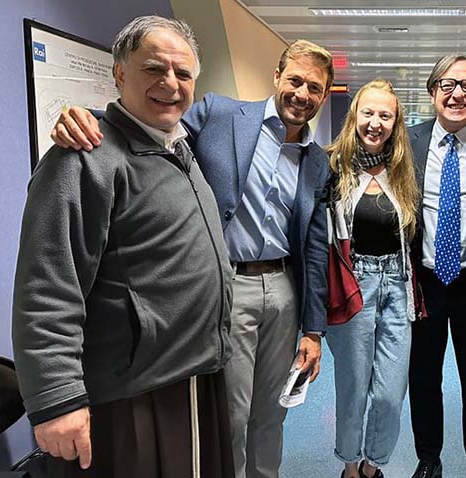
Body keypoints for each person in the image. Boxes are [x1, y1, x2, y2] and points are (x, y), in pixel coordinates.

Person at [50, 39, 334, 478]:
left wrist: (313, 330)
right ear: (277, 76)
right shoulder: (221, 114)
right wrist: (90, 119)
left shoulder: (317, 162)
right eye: (295, 80)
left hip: (283, 291)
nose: (302, 94)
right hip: (228, 287)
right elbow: (152, 124)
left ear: (325, 94)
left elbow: (315, 250)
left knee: (272, 412)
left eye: (314, 88)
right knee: (232, 414)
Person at [13, 16, 234, 477]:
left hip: (194, 376)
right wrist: (56, 399)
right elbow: (48, 286)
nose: (170, 83)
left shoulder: (179, 148)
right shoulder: (82, 159)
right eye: (154, 68)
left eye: (183, 73)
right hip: (132, 394)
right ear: (119, 72)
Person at [407, 55, 466, 478]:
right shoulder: (408, 141)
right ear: (433, 92)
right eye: (447, 85)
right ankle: (429, 459)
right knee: (423, 378)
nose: (457, 94)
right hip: (424, 284)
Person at [325, 79, 419, 478]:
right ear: (355, 117)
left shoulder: (403, 171)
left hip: (397, 284)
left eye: (385, 115)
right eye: (368, 113)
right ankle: (350, 468)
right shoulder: (333, 168)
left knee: (390, 394)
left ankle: (371, 466)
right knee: (353, 389)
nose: (375, 123)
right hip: (354, 285)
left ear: (396, 122)